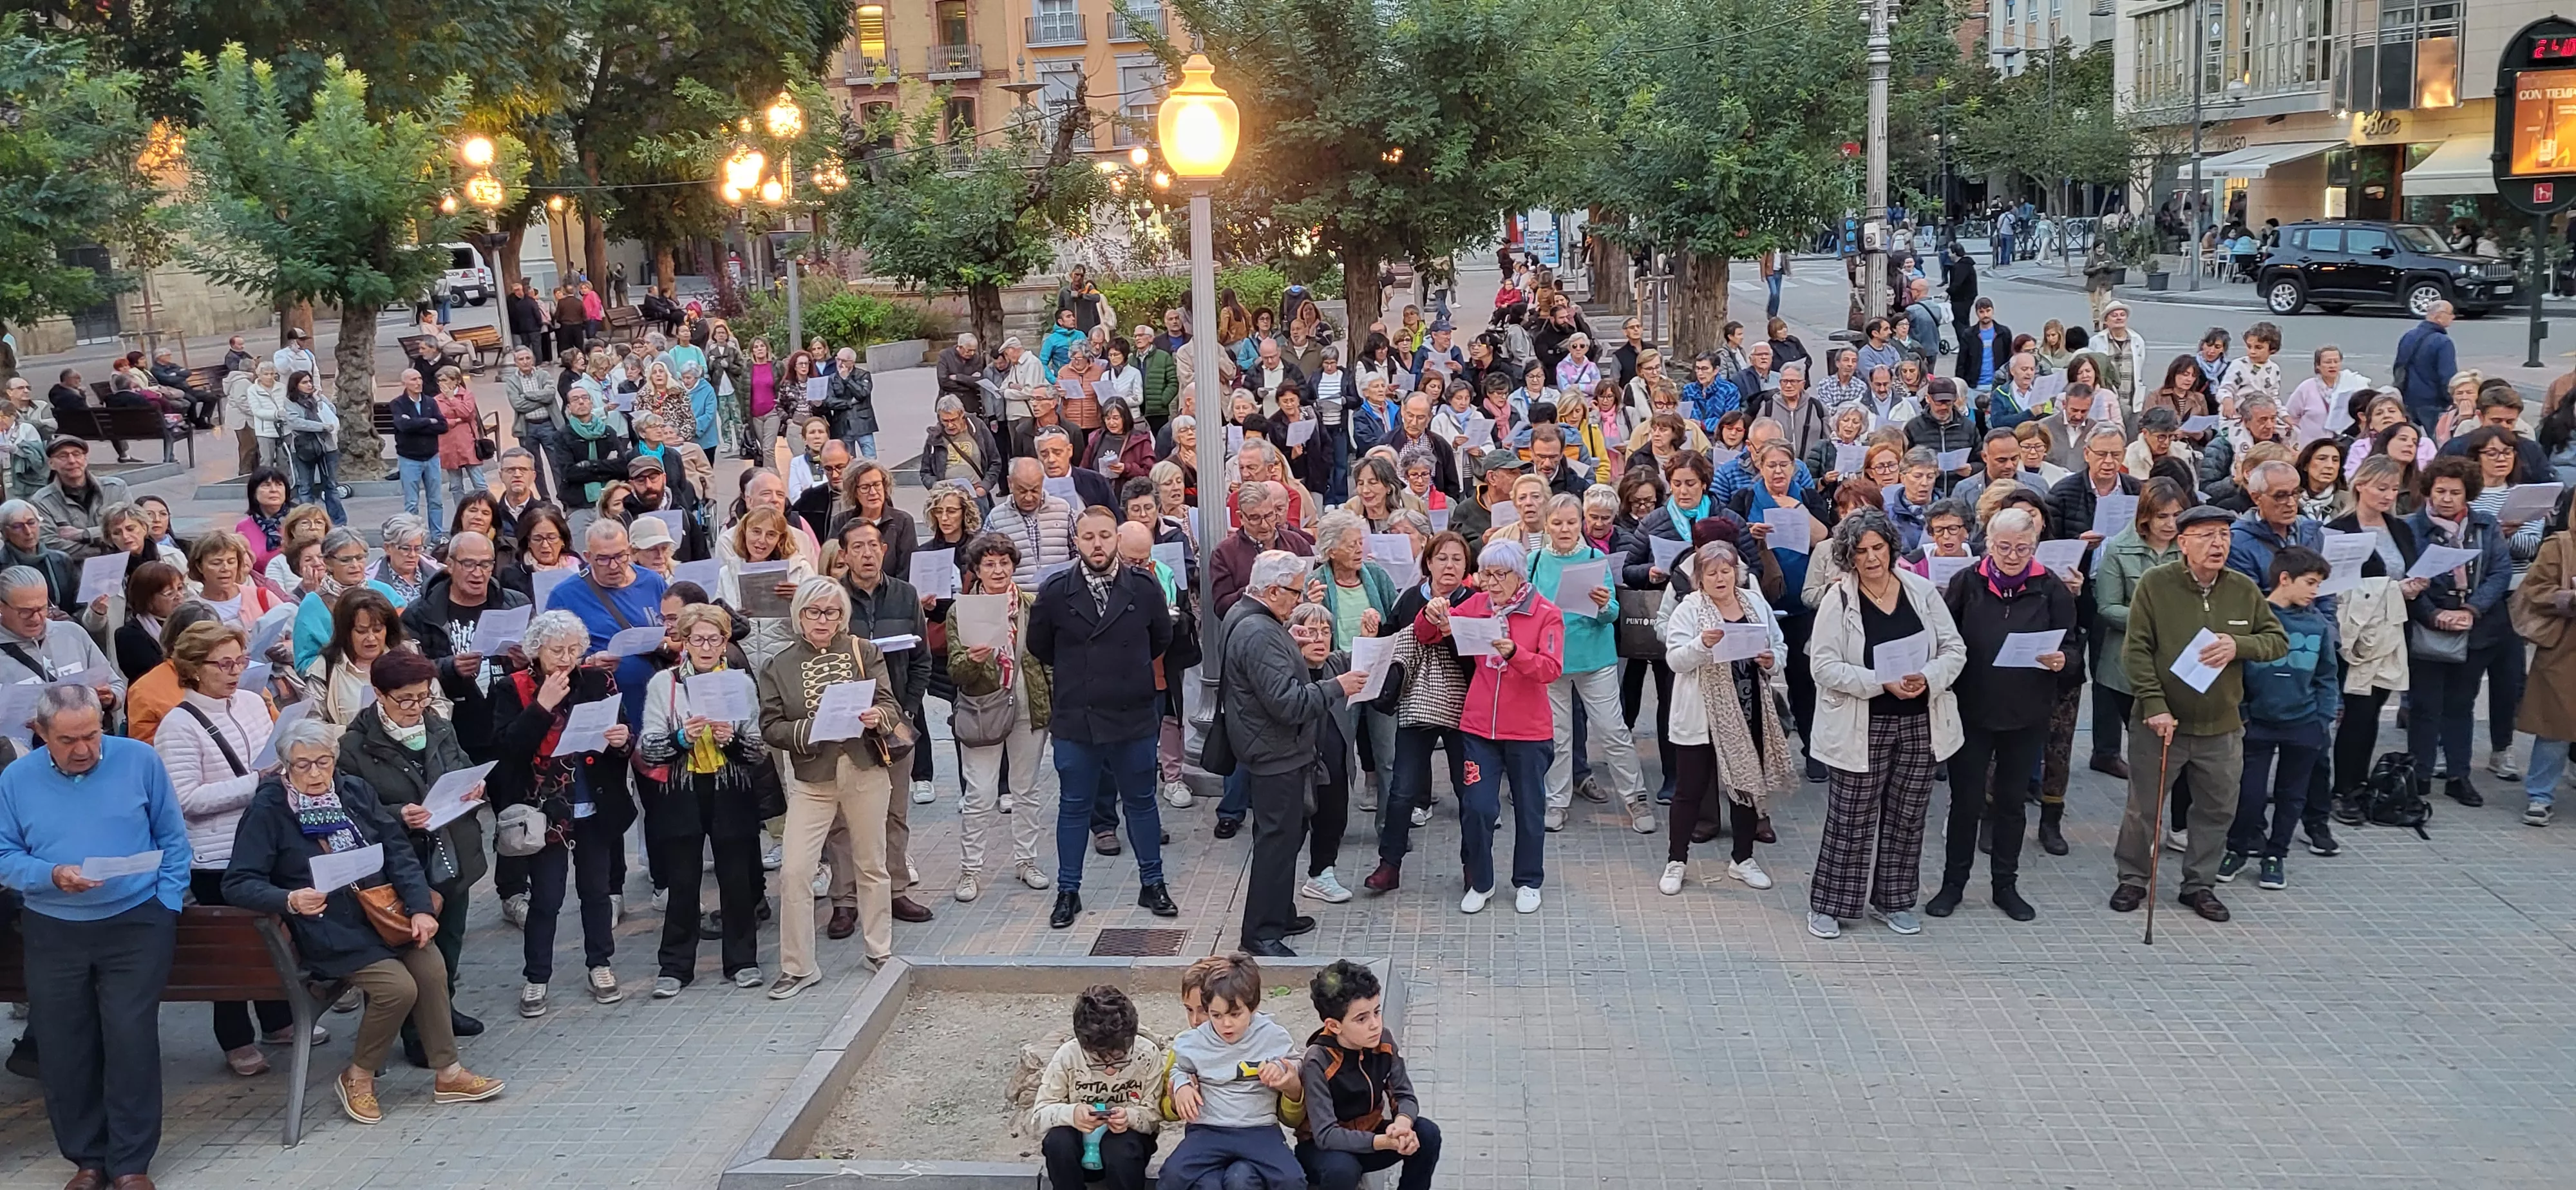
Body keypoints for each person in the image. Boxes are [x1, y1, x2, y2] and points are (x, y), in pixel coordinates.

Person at [223, 714, 504, 1125]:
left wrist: (420, 908)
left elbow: (398, 852)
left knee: (430, 967)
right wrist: (289, 898)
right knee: (396, 989)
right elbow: (239, 881)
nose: (316, 773)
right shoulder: (269, 808)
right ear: (285, 766)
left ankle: (448, 1073)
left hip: (382, 912)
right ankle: (358, 1076)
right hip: (326, 928)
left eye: (323, 762)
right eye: (303, 765)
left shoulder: (353, 791)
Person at [0, 684, 189, 1189]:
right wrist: (50, 875)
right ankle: (87, 1159)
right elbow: (4, 855)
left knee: (130, 1039)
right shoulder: (16, 779)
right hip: (53, 924)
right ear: (39, 733)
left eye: (92, 735)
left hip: (135, 920)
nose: (84, 749)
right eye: (68, 740)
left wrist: (167, 905)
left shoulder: (139, 760)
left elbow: (173, 838)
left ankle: (130, 1164)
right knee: (65, 1044)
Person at [2108, 505, 2289, 923]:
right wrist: (2153, 705)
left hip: (2222, 726)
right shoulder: (2156, 584)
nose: (2218, 544)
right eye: (2207, 535)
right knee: (2144, 807)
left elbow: (2276, 640)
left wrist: (2238, 646)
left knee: (2217, 808)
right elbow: (2135, 651)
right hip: (2161, 724)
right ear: (2183, 542)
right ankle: (2133, 878)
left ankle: (2199, 884)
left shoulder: (2243, 588)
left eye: (2224, 535)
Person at [755, 577, 907, 999]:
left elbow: (891, 705)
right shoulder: (777, 666)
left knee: (872, 863)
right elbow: (770, 726)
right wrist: (808, 730)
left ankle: (880, 950)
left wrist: (879, 716)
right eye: (813, 611)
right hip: (812, 778)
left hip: (864, 769)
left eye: (832, 611)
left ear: (843, 615)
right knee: (795, 871)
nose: (823, 620)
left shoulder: (865, 651)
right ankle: (799, 966)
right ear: (798, 614)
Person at [335, 648, 488, 1061]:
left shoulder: (437, 724)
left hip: (453, 851)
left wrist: (475, 787)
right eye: (405, 700)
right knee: (413, 947)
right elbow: (352, 810)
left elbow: (463, 764)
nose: (416, 707)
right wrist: (398, 814)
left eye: (423, 697)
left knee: (451, 939)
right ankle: (416, 1034)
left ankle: (444, 1009)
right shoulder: (355, 746)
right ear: (379, 694)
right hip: (402, 864)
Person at [153, 620, 290, 1077]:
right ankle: (235, 1038)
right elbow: (184, 799)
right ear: (194, 668)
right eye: (224, 663)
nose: (235, 671)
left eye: (239, 660)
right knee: (230, 951)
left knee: (271, 934)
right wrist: (256, 783)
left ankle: (277, 1017)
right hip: (215, 856)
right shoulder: (178, 724)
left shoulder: (251, 702)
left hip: (265, 840)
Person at [489, 610, 635, 1016]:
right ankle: (537, 977)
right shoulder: (512, 687)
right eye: (556, 651)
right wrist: (541, 706)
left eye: (573, 650)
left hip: (593, 803)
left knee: (597, 890)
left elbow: (620, 734)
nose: (566, 659)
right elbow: (507, 749)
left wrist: (623, 739)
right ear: (536, 651)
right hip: (543, 810)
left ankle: (600, 964)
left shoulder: (597, 680)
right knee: (547, 898)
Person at [1218, 550, 1363, 953]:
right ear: (1271, 590)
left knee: (1284, 841)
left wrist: (1288, 638)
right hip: (1275, 753)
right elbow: (1289, 703)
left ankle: (1279, 913)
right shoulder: (1259, 633)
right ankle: (1261, 934)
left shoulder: (1254, 619)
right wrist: (1338, 686)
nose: (1299, 603)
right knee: (1275, 844)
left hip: (1272, 749)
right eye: (1295, 594)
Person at [636, 603, 769, 996]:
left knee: (736, 879)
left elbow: (759, 751)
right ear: (685, 643)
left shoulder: (741, 682)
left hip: (730, 789)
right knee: (682, 880)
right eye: (698, 639)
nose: (707, 647)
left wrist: (734, 740)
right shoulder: (665, 684)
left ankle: (742, 960)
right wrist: (682, 738)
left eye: (714, 639)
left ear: (725, 642)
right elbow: (649, 748)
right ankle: (675, 966)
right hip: (682, 789)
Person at [1446, 539, 1562, 915]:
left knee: (1530, 808)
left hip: (1529, 730)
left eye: (1500, 575)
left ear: (1519, 575)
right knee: (1477, 806)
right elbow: (1441, 627)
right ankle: (1481, 880)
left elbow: (1551, 669)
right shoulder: (1476, 605)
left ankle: (1529, 880)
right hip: (1479, 726)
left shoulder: (1546, 613)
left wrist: (1516, 654)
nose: (1492, 583)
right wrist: (1434, 612)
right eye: (1486, 574)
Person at [1525, 493, 1650, 833]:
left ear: (1580, 522)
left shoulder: (1595, 557)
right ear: (1547, 525)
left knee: (1613, 730)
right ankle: (1556, 801)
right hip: (1552, 661)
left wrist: (1603, 604)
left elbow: (1612, 615)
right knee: (1558, 735)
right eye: (1557, 523)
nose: (1564, 529)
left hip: (1595, 658)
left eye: (1570, 522)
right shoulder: (1534, 561)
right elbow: (1525, 610)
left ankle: (1635, 798)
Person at [2219, 547, 2338, 891]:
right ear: (2284, 579)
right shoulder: (2256, 618)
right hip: (2258, 723)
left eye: (2318, 585)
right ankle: (2238, 848)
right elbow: (2237, 670)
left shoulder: (2317, 625)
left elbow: (2327, 676)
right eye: (2310, 583)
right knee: (2250, 793)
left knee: (2292, 794)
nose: (2315, 591)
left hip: (2303, 724)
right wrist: (2243, 714)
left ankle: (2276, 855)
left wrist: (2322, 718)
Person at [945, 534, 1055, 902]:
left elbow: (1046, 660)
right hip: (983, 710)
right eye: (989, 564)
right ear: (976, 570)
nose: (998, 570)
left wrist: (1053, 705)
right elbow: (956, 674)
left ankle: (1027, 861)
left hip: (1028, 706)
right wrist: (972, 661)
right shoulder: (962, 610)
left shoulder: (1030, 605)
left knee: (1026, 791)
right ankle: (969, 869)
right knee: (980, 794)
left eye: (1004, 563)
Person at [2405, 455, 2513, 808]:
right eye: (2440, 491)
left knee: (2461, 704)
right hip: (2428, 622)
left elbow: (2500, 572)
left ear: (2468, 494)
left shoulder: (2485, 525)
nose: (2447, 499)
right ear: (2428, 491)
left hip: (2476, 624)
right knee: (2425, 704)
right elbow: (2408, 578)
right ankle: (2419, 772)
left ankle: (2458, 775)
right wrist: (2433, 614)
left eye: (2455, 492)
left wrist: (2471, 609)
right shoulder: (2410, 527)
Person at [1159, 954, 1310, 1190]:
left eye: (1235, 1014)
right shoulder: (1193, 1041)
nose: (1226, 1024)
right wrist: (1182, 1086)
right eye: (1216, 1016)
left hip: (1258, 1129)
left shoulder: (1273, 1036)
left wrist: (1280, 1069)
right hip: (1209, 1129)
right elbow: (1181, 1068)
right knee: (1172, 1174)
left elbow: (1294, 1062)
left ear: (1253, 1007)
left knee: (1292, 1179)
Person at [1295, 960, 1439, 1190]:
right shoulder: (1317, 1060)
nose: (1375, 1025)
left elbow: (1404, 1095)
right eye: (1362, 1019)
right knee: (1343, 1169)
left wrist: (1402, 1125)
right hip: (1324, 1150)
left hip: (1372, 1133)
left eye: (1377, 1012)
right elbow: (1325, 1135)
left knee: (1427, 1134)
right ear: (1334, 1026)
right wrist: (1382, 1142)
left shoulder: (1383, 1041)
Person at [1031, 985, 1166, 1190]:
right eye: (1097, 1061)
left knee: (1120, 1148)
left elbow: (1154, 1115)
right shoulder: (1068, 1056)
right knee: (1058, 1142)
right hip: (1077, 1150)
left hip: (1126, 1150)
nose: (1110, 1070)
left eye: (1120, 1060)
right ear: (1083, 1044)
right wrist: (1072, 1113)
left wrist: (1129, 1117)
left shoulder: (1146, 1055)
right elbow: (1039, 1116)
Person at [33, 436, 133, 563]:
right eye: (63, 456)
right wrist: (103, 551)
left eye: (77, 454)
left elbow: (130, 528)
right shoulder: (42, 501)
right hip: (74, 574)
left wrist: (84, 535)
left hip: (123, 567)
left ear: (86, 459)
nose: (72, 461)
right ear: (51, 464)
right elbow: (50, 544)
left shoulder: (116, 488)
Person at [985, 459, 1077, 589]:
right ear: (1010, 483)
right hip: (1018, 599)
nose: (1029, 498)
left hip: (1060, 596)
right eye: (1022, 491)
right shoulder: (996, 518)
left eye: (1035, 490)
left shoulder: (1063, 509)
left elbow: (1078, 552)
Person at [2392, 300, 2458, 426]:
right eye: (2450, 313)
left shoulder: (2408, 336)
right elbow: (2448, 376)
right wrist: (2451, 400)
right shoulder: (2443, 342)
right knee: (2438, 440)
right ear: (2439, 316)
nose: (2453, 317)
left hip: (2408, 399)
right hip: (2433, 402)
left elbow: (2399, 366)